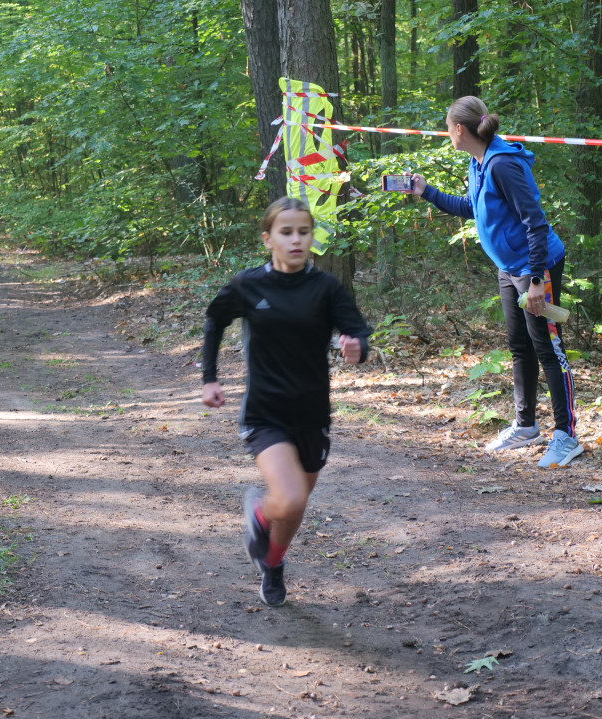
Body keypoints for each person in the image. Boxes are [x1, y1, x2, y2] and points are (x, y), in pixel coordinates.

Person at [201, 197, 372, 607]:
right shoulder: (248, 285)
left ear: (311, 237)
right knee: (289, 498)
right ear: (268, 239)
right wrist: (209, 378)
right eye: (286, 232)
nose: (296, 240)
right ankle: (259, 514)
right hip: (265, 413)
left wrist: (356, 349)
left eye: (303, 232)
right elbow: (214, 320)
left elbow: (358, 335)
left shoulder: (326, 288)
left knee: (295, 509)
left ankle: (272, 563)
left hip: (312, 415)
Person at [406, 96, 581, 468]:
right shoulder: (478, 162)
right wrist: (427, 192)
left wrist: (536, 280)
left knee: (549, 349)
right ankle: (526, 425)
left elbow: (536, 223)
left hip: (536, 266)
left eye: (446, 127)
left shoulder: (502, 165)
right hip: (509, 267)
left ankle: (567, 435)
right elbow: (472, 207)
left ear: (459, 129)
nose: (446, 134)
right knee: (521, 346)